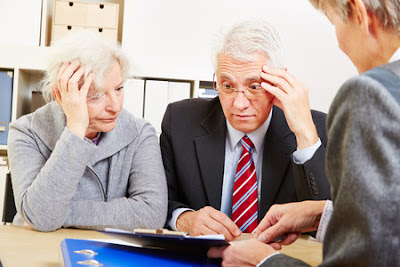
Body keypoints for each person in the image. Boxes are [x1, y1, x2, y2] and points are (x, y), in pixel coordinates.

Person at [208, 0, 400, 265]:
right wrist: (322, 213)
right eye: (227, 85)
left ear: (359, 14)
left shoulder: (371, 94)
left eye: (334, 24)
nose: (339, 42)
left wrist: (266, 262)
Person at [160, 20, 331, 241]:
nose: (239, 104)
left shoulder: (316, 128)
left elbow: (331, 222)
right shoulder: (180, 121)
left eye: (254, 87)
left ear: (279, 82)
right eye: (228, 86)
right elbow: (157, 201)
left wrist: (305, 134)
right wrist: (184, 218)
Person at [7, 31, 168, 232]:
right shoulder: (25, 132)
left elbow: (151, 214)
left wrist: (60, 213)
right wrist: (75, 128)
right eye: (97, 96)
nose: (115, 106)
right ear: (60, 95)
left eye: (118, 89)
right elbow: (41, 217)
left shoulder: (140, 132)